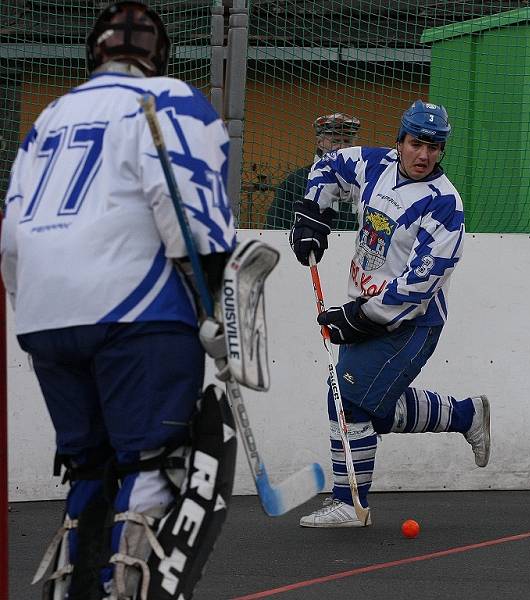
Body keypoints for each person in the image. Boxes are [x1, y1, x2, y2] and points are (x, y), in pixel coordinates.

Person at [0, 2, 238, 597]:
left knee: (88, 470)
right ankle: (123, 588)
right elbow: (188, 210)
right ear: (159, 57)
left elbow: (10, 233)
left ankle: (71, 586)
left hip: (44, 313)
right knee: (149, 466)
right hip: (138, 313)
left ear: (95, 53)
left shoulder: (50, 116)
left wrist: (33, 304)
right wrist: (211, 303)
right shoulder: (168, 97)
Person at [289, 99, 491, 527]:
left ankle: (349, 503)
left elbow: (420, 283)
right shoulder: (374, 164)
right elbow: (329, 167)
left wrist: (358, 318)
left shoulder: (444, 205)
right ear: (399, 140)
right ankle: (465, 414)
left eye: (435, 148)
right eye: (417, 143)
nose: (424, 155)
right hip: (366, 307)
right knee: (373, 410)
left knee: (347, 399)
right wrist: (312, 215)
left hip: (411, 324)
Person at [267, 113, 361, 230]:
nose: (341, 147)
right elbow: (276, 224)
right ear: (320, 143)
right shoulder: (298, 180)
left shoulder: (363, 179)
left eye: (347, 141)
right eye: (335, 141)